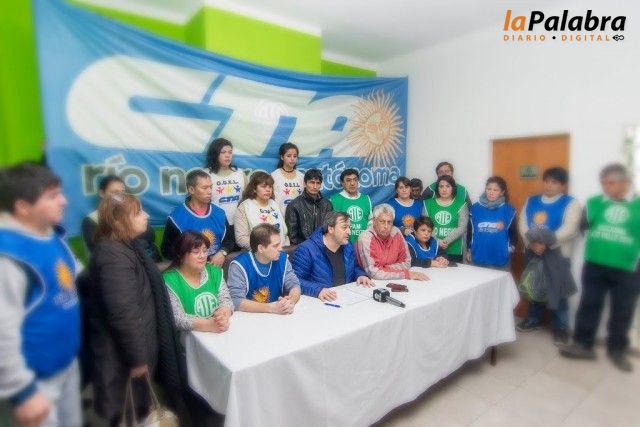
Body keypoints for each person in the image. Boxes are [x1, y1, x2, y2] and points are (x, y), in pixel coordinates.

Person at [0, 164, 82, 427]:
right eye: (52, 196)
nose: (64, 201)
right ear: (23, 206)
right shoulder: (8, 256)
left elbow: (72, 275)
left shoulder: (51, 236)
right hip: (34, 383)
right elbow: (2, 329)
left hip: (66, 364)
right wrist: (23, 391)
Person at [88, 193, 180, 426]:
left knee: (139, 408)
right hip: (125, 359)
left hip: (137, 349)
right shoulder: (114, 257)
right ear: (119, 223)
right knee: (130, 412)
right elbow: (123, 313)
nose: (146, 216)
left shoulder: (128, 246)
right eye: (138, 212)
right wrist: (138, 359)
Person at [560, 164, 640, 372]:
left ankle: (617, 350)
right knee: (589, 304)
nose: (606, 187)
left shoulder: (638, 205)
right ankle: (583, 344)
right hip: (595, 264)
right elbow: (583, 227)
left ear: (625, 183)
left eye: (611, 183)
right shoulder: (594, 203)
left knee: (623, 310)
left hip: (628, 268)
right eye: (604, 183)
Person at [517, 167, 581, 344]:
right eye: (546, 181)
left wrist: (546, 243)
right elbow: (523, 223)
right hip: (532, 251)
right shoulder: (532, 200)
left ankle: (561, 329)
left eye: (554, 182)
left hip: (557, 254)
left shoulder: (571, 203)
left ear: (563, 185)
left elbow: (570, 228)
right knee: (534, 287)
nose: (549, 185)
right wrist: (531, 243)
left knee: (558, 291)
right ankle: (533, 319)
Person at [162, 231, 233, 334]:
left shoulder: (214, 271)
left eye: (205, 251)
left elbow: (226, 300)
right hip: (188, 338)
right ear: (180, 255)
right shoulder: (169, 280)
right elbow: (177, 318)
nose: (202, 256)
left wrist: (223, 314)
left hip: (218, 331)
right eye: (196, 252)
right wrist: (208, 325)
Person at [292, 212, 373, 300]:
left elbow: (354, 267)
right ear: (330, 229)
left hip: (345, 298)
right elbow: (294, 281)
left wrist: (360, 275)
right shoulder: (306, 250)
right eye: (344, 227)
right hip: (319, 302)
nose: (349, 232)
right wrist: (317, 290)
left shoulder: (348, 245)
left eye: (349, 227)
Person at [161, 170, 234, 267]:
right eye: (204, 188)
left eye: (211, 187)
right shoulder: (176, 217)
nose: (210, 191)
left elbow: (229, 240)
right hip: (190, 269)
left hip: (216, 268)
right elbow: (166, 250)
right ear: (191, 189)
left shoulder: (219, 213)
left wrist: (223, 252)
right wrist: (190, 258)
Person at [82, 175, 160, 261]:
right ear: (102, 193)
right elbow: (100, 249)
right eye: (115, 192)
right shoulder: (91, 220)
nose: (120, 196)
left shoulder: (130, 211)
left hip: (149, 260)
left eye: (123, 192)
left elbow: (150, 235)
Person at [227, 224, 301, 314]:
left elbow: (294, 285)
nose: (280, 249)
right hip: (249, 317)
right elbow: (236, 301)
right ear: (261, 248)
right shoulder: (239, 265)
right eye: (275, 246)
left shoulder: (282, 259)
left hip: (277, 317)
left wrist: (290, 301)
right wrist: (272, 308)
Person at [356, 204, 429, 281]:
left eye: (389, 222)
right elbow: (373, 273)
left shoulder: (396, 232)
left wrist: (383, 268)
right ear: (374, 221)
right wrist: (405, 274)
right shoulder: (365, 238)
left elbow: (407, 263)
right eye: (382, 222)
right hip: (370, 283)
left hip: (394, 280)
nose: (386, 226)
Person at [467, 176, 517, 269]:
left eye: (495, 190)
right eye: (488, 189)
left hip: (500, 258)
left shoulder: (509, 210)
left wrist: (510, 249)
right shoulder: (475, 208)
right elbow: (470, 231)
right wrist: (469, 249)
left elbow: (513, 233)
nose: (491, 192)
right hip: (478, 256)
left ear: (502, 192)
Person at [234, 172, 288, 250]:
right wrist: (264, 249)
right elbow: (241, 238)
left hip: (280, 250)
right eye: (264, 186)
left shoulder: (274, 204)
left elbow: (284, 232)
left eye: (270, 186)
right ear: (254, 189)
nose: (268, 189)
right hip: (258, 252)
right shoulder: (244, 207)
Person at [423, 175, 469, 263]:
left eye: (448, 186)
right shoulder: (428, 204)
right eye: (441, 186)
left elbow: (462, 227)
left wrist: (446, 241)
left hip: (454, 250)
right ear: (437, 188)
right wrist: (437, 241)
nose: (444, 189)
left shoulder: (461, 204)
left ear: (453, 188)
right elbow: (425, 225)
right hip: (432, 248)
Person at [205, 137, 246, 228]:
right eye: (223, 152)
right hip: (215, 223)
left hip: (239, 223)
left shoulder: (240, 173)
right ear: (215, 154)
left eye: (230, 152)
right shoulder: (205, 174)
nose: (228, 155)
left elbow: (247, 198)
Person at [285, 168, 333, 245]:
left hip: (323, 247)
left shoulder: (327, 205)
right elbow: (292, 237)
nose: (315, 186)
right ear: (305, 184)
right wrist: (306, 248)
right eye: (312, 182)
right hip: (302, 248)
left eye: (318, 183)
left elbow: (330, 230)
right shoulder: (294, 205)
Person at [330, 168, 372, 243]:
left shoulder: (366, 199)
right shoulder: (334, 200)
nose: (352, 183)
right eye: (348, 180)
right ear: (342, 183)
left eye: (355, 180)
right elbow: (331, 226)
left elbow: (371, 223)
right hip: (343, 245)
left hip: (364, 244)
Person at [271, 142, 304, 216]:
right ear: (282, 157)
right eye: (289, 156)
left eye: (295, 156)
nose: (292, 159)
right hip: (280, 217)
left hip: (298, 218)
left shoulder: (301, 177)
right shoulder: (274, 176)